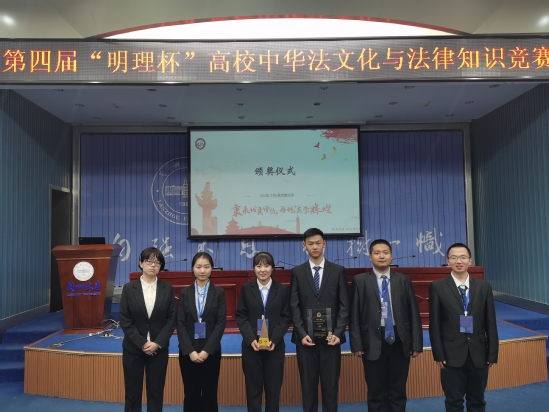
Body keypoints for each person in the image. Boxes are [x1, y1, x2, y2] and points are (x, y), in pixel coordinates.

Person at [349, 239, 423, 412]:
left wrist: (416, 343)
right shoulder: (360, 280)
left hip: (399, 339)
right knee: (376, 390)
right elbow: (354, 314)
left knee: (398, 389)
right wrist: (357, 344)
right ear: (370, 257)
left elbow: (413, 312)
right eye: (377, 253)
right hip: (371, 340)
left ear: (391, 256)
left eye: (385, 252)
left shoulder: (403, 280)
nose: (381, 256)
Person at [429, 243, 499, 412]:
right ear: (447, 261)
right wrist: (438, 354)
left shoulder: (483, 287)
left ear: (470, 260)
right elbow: (435, 324)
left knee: (477, 400)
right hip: (450, 354)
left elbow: (490, 322)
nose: (458, 261)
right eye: (454, 257)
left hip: (479, 354)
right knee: (453, 402)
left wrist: (492, 353)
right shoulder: (438, 286)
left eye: (462, 257)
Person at [289, 228, 350, 412]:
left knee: (330, 389)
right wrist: (301, 334)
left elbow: (344, 305)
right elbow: (294, 306)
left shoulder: (338, 271)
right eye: (310, 243)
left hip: (332, 340)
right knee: (308, 389)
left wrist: (338, 333)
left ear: (324, 244)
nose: (314, 247)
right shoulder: (297, 272)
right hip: (305, 340)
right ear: (304, 246)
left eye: (317, 243)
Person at [119, 247, 176, 412]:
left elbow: (171, 319)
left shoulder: (167, 288)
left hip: (158, 349)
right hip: (133, 349)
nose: (153, 265)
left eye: (157, 263)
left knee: (156, 393)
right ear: (141, 263)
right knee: (132, 393)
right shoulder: (129, 289)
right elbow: (125, 320)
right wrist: (142, 343)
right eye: (149, 261)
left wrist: (157, 343)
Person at [236, 251, 292, 412]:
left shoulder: (281, 289)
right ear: (254, 268)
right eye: (258, 266)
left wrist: (275, 338)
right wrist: (250, 339)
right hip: (251, 347)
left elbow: (287, 317)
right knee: (253, 390)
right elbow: (240, 315)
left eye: (266, 266)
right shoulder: (247, 288)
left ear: (272, 268)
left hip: (275, 347)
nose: (262, 270)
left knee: (273, 391)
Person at [177, 252, 226, 412]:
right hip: (188, 352)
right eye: (198, 267)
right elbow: (180, 323)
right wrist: (190, 351)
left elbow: (220, 323)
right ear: (193, 268)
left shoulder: (219, 293)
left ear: (212, 268)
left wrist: (206, 351)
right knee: (191, 393)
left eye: (206, 266)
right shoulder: (185, 293)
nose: (202, 270)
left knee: (210, 394)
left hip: (211, 352)